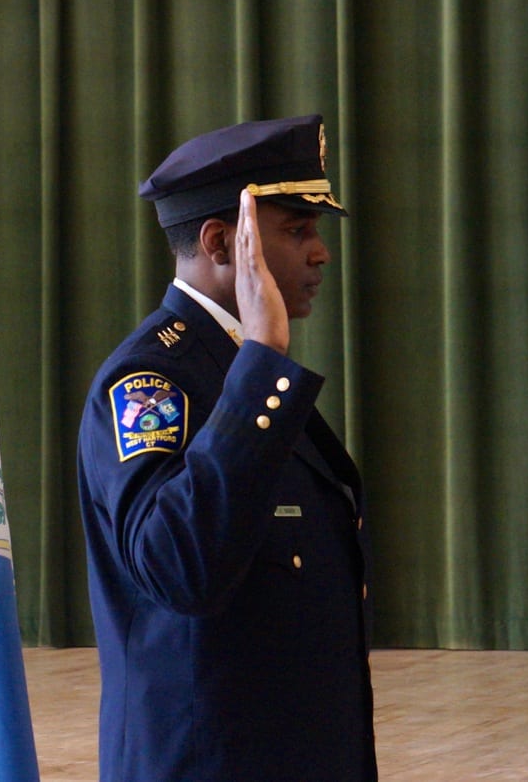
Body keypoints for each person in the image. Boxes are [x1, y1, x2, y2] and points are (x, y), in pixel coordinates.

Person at [76, 114, 377, 781]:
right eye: (297, 230)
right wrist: (264, 362)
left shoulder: (238, 370)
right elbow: (180, 566)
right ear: (220, 242)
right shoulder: (150, 382)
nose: (320, 252)